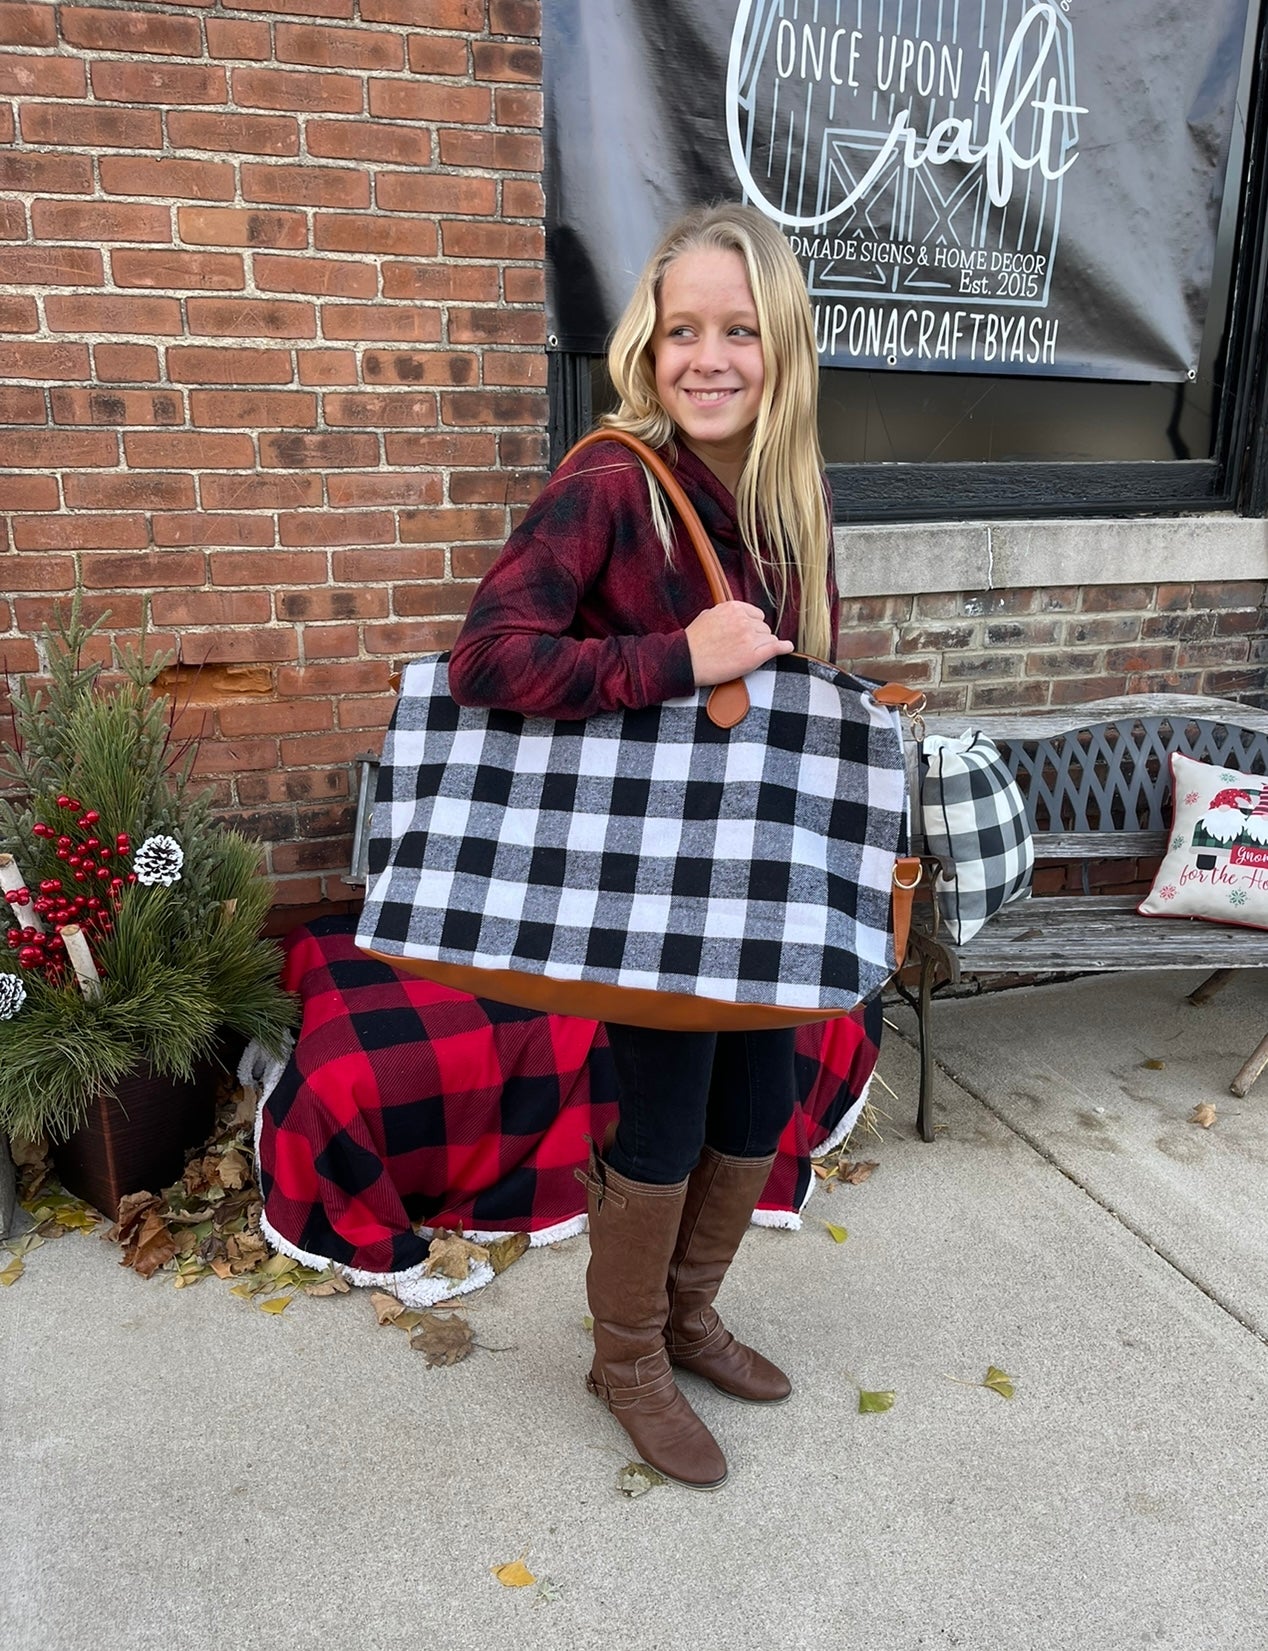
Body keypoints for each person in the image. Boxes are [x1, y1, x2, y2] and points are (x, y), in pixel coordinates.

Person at [448, 203, 839, 1491]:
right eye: (683, 331)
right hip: (647, 884)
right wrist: (678, 658)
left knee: (761, 1099)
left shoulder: (783, 497)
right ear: (645, 345)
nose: (708, 357)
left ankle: (687, 1316)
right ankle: (624, 1359)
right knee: (665, 1116)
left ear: (781, 346)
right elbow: (487, 660)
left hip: (753, 877)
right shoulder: (613, 478)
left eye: (739, 329)